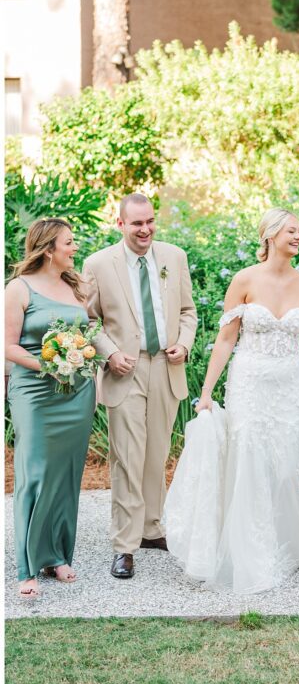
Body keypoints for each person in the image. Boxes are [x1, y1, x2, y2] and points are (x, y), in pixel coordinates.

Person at [163, 208, 299, 593]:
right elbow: (225, 340)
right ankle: (248, 555)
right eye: (291, 230)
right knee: (250, 461)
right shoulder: (244, 280)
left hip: (289, 384)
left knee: (286, 465)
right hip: (250, 382)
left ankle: (286, 543)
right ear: (270, 235)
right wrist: (206, 393)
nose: (298, 236)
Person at [82, 194, 197, 580]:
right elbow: (89, 321)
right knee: (127, 459)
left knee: (156, 454)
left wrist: (184, 342)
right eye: (136, 224)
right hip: (124, 371)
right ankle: (124, 545)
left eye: (149, 221)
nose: (145, 229)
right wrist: (110, 353)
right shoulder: (98, 264)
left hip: (166, 367)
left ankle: (151, 529)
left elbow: (187, 312)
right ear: (120, 224)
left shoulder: (174, 256)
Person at [6, 219, 96, 599]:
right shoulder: (18, 289)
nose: (75, 248)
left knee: (65, 474)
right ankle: (28, 565)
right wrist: (51, 365)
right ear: (48, 249)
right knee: (37, 472)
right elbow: (8, 347)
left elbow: (89, 330)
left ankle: (57, 556)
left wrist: (82, 360)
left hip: (75, 393)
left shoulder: (75, 286)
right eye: (69, 243)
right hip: (35, 393)